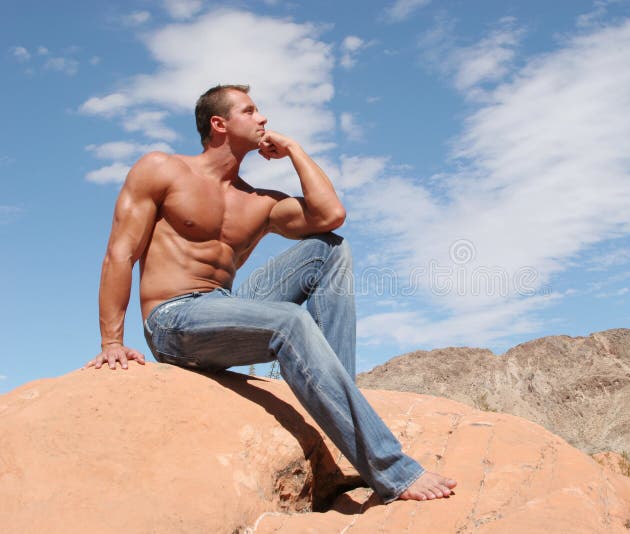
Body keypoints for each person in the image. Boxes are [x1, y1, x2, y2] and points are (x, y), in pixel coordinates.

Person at [85, 84, 455, 503]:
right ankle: (392, 470)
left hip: (224, 309)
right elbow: (120, 252)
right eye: (251, 111)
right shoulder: (162, 168)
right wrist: (111, 341)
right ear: (219, 124)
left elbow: (331, 215)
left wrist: (295, 150)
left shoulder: (256, 201)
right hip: (174, 321)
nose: (263, 120)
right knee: (289, 321)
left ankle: (339, 408)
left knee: (330, 249)